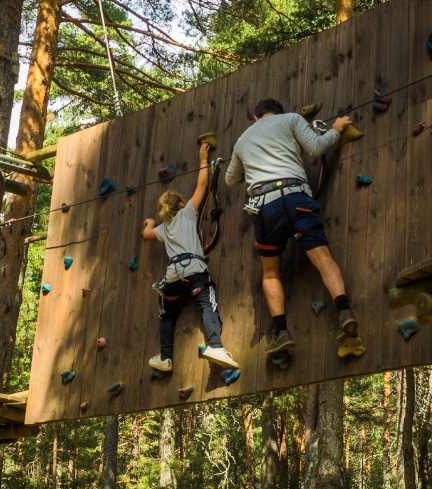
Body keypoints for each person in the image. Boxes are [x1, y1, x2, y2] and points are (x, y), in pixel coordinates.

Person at [225, 98, 362, 356]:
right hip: (296, 196)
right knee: (323, 258)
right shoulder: (290, 119)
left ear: (256, 117)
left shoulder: (243, 140)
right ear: (277, 112)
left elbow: (230, 179)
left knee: (270, 273)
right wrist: (337, 128)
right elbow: (316, 147)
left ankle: (281, 331)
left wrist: (253, 163)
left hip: (265, 207)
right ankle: (345, 311)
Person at [142, 141, 239, 372]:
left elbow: (146, 233)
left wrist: (149, 223)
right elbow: (202, 186)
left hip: (173, 277)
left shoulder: (163, 229)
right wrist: (203, 160)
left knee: (166, 314)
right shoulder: (187, 213)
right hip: (194, 272)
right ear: (182, 204)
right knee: (208, 306)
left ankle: (165, 358)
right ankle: (215, 346)